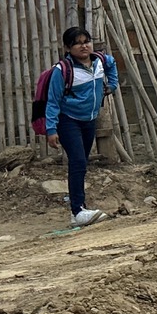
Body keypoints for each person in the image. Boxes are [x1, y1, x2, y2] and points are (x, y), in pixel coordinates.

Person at [43, 26, 119, 229]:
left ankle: (80, 207)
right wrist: (51, 129)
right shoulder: (62, 71)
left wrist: (112, 85)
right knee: (77, 161)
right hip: (68, 120)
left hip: (89, 119)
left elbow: (112, 65)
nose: (84, 46)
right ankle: (77, 211)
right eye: (77, 43)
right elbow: (52, 101)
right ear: (68, 48)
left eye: (86, 41)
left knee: (82, 162)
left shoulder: (100, 61)